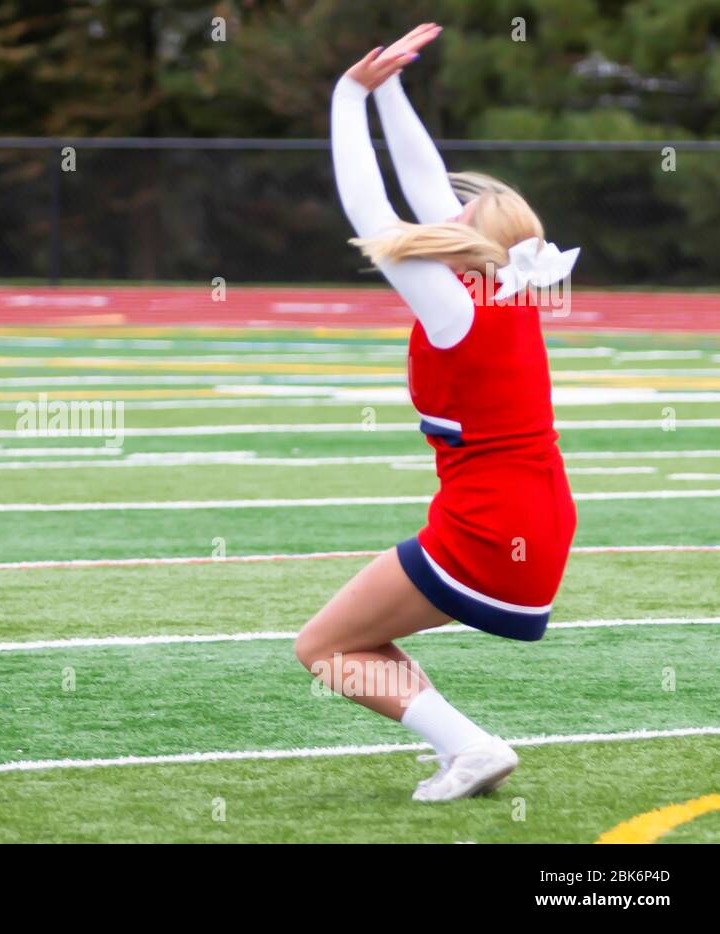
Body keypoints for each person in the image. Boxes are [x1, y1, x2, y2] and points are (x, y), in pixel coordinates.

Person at [294, 23, 580, 801]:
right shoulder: (504, 291)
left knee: (323, 646)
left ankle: (472, 746)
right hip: (533, 509)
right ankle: (462, 744)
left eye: (460, 214)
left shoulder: (454, 307)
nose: (445, 211)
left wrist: (348, 97)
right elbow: (421, 182)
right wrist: (390, 88)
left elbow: (372, 207)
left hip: (493, 522)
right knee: (356, 636)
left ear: (468, 246)